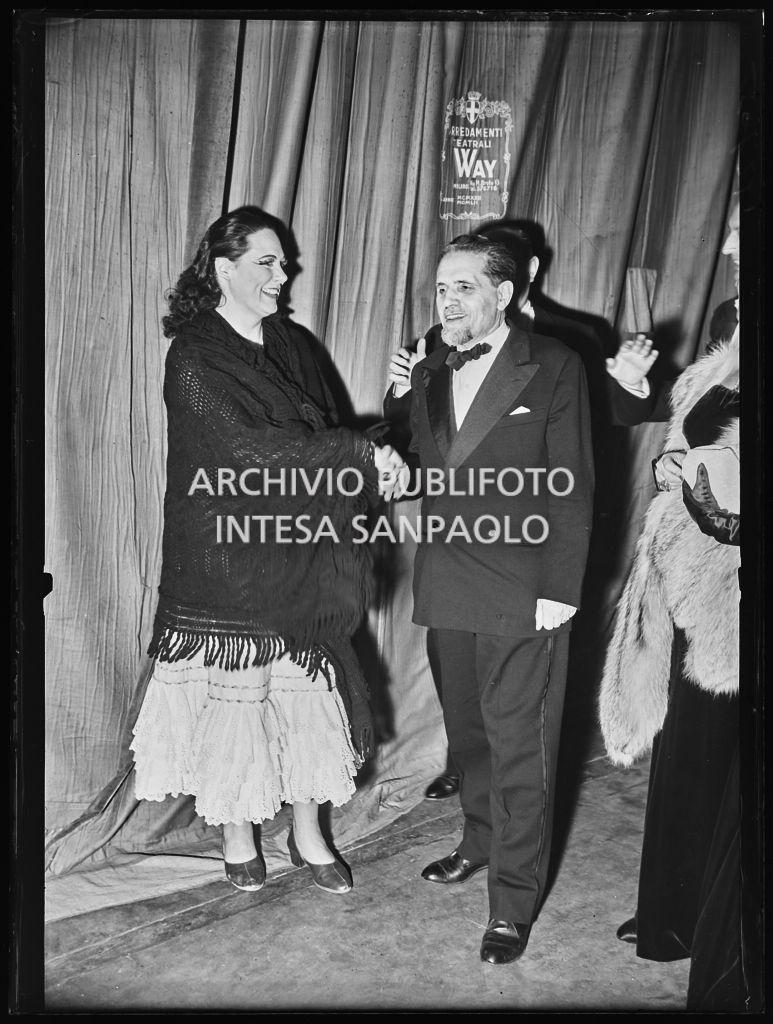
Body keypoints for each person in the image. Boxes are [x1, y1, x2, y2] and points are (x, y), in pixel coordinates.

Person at [131, 206, 403, 895]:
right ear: (223, 271)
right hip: (225, 560)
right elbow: (248, 453)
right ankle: (238, 836)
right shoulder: (193, 355)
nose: (283, 275)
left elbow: (326, 431)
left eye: (284, 263)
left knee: (305, 696)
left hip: (297, 552)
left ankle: (308, 835)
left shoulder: (293, 343)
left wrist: (377, 457)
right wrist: (358, 454)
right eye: (267, 262)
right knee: (239, 701)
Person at [397, 233, 594, 964]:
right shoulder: (430, 367)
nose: (447, 301)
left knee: (519, 748)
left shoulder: (554, 364)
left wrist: (559, 589)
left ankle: (512, 903)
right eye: (440, 288)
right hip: (447, 580)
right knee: (470, 735)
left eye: (464, 287)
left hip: (522, 587)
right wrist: (396, 448)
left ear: (504, 294)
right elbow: (425, 463)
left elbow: (572, 481)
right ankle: (478, 841)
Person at [599, 199, 748, 1010]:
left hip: (731, 578)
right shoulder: (732, 316)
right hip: (688, 569)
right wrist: (637, 393)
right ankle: (674, 912)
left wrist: (699, 484)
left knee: (723, 745)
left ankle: (711, 923)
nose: (730, 246)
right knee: (689, 740)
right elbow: (686, 415)